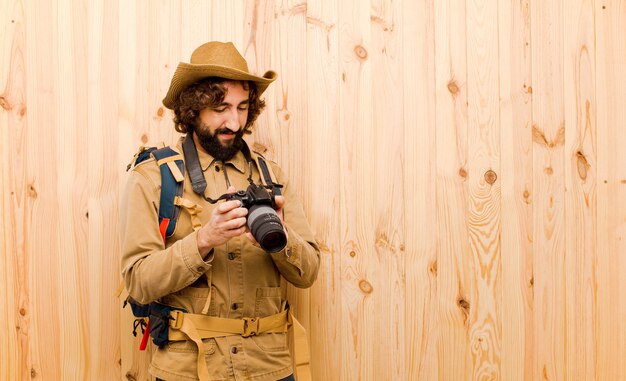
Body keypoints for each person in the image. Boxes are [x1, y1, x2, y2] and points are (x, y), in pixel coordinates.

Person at [120, 41, 320, 381]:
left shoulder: (272, 177)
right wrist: (203, 240)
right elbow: (138, 282)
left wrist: (283, 241)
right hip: (188, 369)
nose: (234, 121)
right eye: (221, 108)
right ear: (192, 109)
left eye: (242, 108)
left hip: (268, 368)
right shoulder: (153, 176)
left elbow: (308, 274)